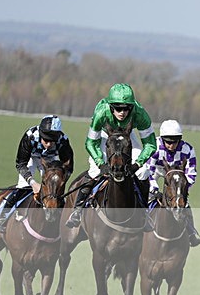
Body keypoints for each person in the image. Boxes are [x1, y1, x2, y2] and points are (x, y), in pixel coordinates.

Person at [66, 83, 157, 228]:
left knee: (143, 171)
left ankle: (143, 212)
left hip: (127, 135)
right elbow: (90, 143)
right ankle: (78, 210)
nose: (122, 112)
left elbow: (151, 144)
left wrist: (137, 164)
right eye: (118, 108)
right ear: (111, 107)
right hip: (104, 135)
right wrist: (100, 162)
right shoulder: (101, 113)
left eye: (127, 108)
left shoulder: (140, 114)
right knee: (95, 171)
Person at [0, 115, 74, 233]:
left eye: (52, 142)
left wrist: (59, 182)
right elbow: (20, 164)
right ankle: (3, 218)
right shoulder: (30, 136)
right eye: (46, 141)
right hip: (31, 158)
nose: (48, 145)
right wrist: (32, 182)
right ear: (41, 134)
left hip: (51, 161)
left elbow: (69, 168)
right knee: (22, 187)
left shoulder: (63, 141)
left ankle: (63, 221)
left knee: (54, 190)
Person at [143, 119, 200, 246]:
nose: (171, 145)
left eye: (175, 142)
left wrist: (182, 190)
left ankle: (191, 232)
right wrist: (153, 189)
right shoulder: (154, 147)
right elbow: (148, 171)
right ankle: (138, 226)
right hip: (156, 171)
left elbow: (191, 174)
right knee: (146, 197)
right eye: (168, 142)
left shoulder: (188, 150)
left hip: (177, 175)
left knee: (183, 203)